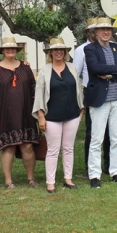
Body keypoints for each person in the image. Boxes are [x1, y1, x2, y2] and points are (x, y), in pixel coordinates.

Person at [0, 37, 40, 189]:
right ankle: (8, 181)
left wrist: (38, 114)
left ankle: (31, 178)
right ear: (2, 51)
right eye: (7, 48)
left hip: (26, 113)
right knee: (8, 147)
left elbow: (34, 92)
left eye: (13, 48)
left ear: (16, 50)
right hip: (5, 115)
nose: (10, 51)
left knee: (27, 147)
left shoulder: (25, 68)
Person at [84, 17, 117, 188]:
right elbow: (95, 68)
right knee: (96, 139)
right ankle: (94, 175)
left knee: (116, 138)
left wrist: (111, 74)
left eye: (108, 29)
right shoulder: (90, 49)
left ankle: (115, 172)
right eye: (102, 29)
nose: (106, 32)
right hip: (100, 99)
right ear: (96, 32)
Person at [33, 38, 84, 193]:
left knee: (68, 148)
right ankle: (50, 182)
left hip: (72, 115)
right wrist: (41, 116)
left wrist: (81, 110)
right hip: (52, 116)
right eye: (55, 50)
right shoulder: (45, 70)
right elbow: (39, 95)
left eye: (61, 50)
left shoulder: (72, 68)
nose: (59, 52)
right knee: (53, 150)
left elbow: (79, 89)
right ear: (50, 52)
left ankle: (68, 179)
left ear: (65, 52)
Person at [73, 18, 111, 175]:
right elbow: (76, 74)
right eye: (93, 30)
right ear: (89, 32)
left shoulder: (110, 47)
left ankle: (109, 165)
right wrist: (81, 97)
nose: (96, 32)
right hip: (92, 93)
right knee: (92, 132)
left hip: (110, 92)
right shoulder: (81, 50)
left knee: (109, 132)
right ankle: (90, 167)